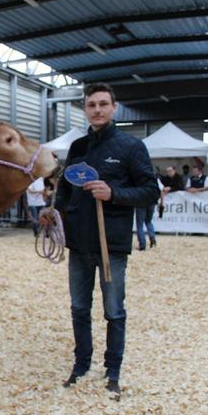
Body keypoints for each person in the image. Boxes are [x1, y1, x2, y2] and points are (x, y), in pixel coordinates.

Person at [40, 83, 159, 397]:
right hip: (79, 244)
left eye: (103, 104)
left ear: (114, 107)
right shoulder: (78, 147)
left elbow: (151, 190)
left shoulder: (131, 148)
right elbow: (65, 189)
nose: (98, 109)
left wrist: (114, 193)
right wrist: (54, 212)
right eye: (91, 104)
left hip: (112, 246)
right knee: (79, 308)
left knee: (113, 310)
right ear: (85, 108)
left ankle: (113, 370)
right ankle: (81, 365)